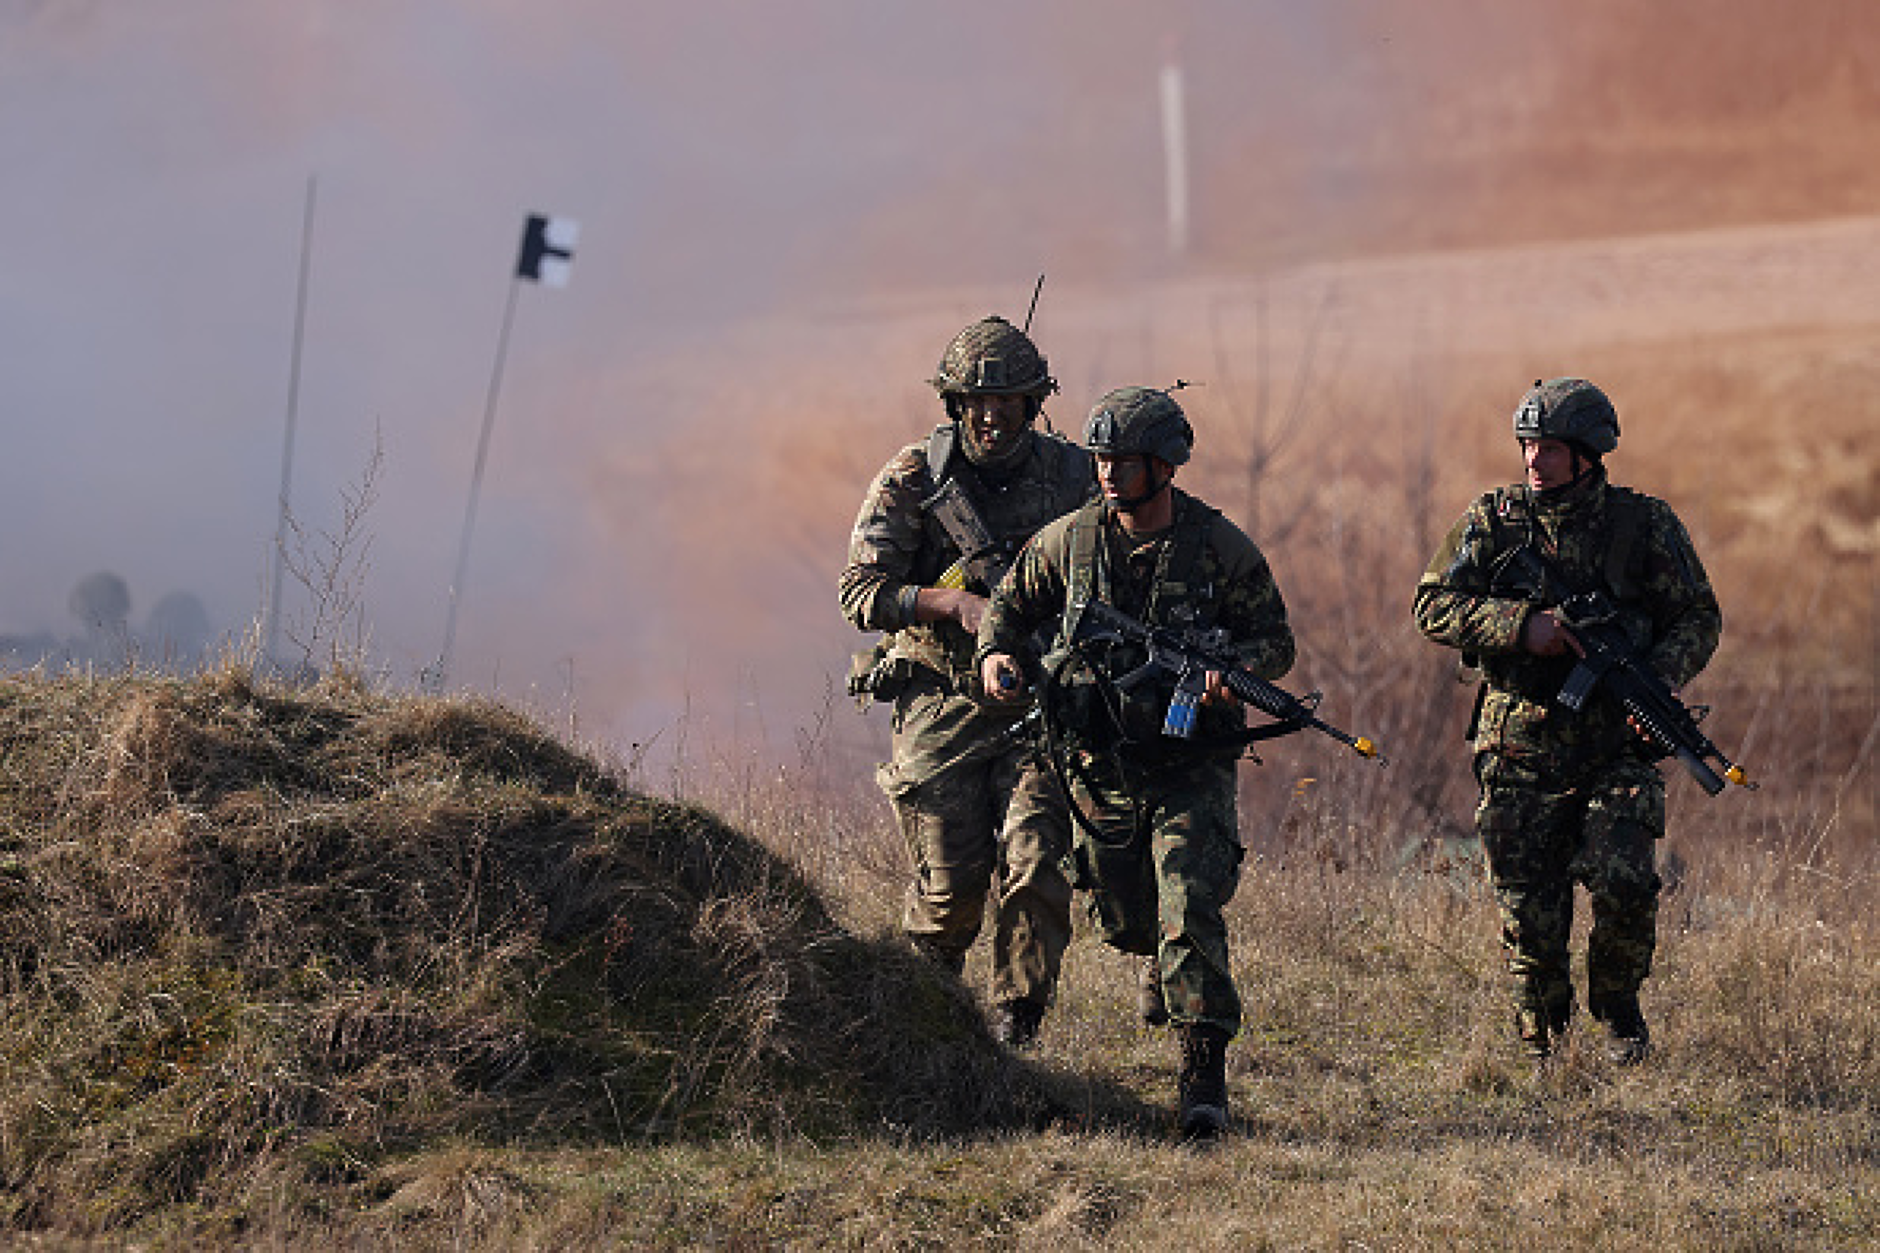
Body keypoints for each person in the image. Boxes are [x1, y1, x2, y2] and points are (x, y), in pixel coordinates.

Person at [978, 385, 1296, 1139]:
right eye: (1100, 459)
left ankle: (1201, 1075)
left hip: (1183, 762)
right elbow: (1009, 607)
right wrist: (996, 656)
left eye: (1124, 460)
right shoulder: (1067, 543)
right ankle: (1014, 1028)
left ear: (1164, 465)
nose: (1109, 473)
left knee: (1186, 900)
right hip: (1077, 752)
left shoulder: (1219, 547)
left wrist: (1229, 669)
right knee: (1034, 868)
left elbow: (1276, 644)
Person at [1413, 377, 1721, 1064]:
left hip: (1616, 745)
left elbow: (1698, 615)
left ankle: (1617, 1012)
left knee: (1624, 880)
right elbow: (1431, 604)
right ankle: (1544, 1034)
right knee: (1528, 904)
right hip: (1517, 746)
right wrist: (1523, 626)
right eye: (1527, 445)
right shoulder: (1492, 522)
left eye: (1549, 447)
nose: (1533, 460)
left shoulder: (1644, 525)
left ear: (1588, 452)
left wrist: (1663, 678)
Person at [839, 315, 1094, 1048]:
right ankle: (926, 1032)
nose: (991, 416)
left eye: (1009, 401)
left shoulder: (1073, 478)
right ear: (953, 404)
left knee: (1039, 861)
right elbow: (859, 590)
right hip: (942, 699)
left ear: (1033, 402)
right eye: (977, 402)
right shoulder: (915, 479)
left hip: (1036, 701)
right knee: (950, 897)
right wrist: (949, 602)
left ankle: (1016, 1029)